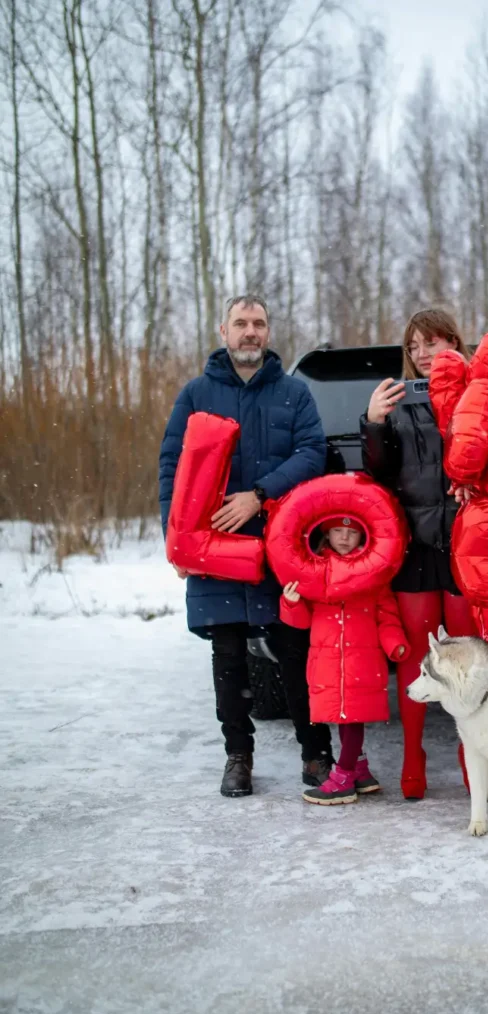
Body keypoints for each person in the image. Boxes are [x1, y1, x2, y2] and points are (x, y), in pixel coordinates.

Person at [158, 294, 334, 798]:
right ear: (223, 330)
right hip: (214, 549)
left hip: (282, 548)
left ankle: (315, 753)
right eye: (241, 323)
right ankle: (239, 757)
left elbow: (312, 453)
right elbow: (171, 467)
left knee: (296, 652)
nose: (250, 332)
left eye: (258, 323)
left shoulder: (293, 393)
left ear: (268, 332)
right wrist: (176, 544)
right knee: (229, 656)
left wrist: (259, 495)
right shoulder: (196, 394)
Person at [360, 308, 476, 800]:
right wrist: (372, 422)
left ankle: (471, 750)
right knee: (415, 652)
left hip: (470, 543)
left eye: (434, 342)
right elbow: (379, 472)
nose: (425, 353)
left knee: (467, 654)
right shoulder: (398, 403)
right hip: (416, 545)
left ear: (455, 341)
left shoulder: (481, 395)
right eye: (415, 346)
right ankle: (413, 752)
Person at [280, 517, 410, 805]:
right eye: (338, 530)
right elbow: (302, 622)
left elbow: (386, 614)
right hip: (328, 659)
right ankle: (360, 770)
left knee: (352, 718)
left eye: (352, 532)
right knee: (343, 716)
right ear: (327, 533)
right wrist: (291, 603)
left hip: (360, 661)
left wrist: (395, 643)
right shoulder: (314, 571)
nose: (344, 537)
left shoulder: (373, 574)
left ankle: (344, 777)